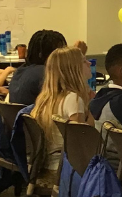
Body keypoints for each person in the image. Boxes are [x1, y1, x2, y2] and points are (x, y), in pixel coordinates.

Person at [31, 46, 95, 175]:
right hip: (66, 169)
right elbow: (81, 142)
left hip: (49, 163)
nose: (89, 63)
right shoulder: (73, 99)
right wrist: (92, 108)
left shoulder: (46, 97)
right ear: (73, 69)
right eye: (84, 61)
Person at [8, 30, 88, 105]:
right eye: (61, 52)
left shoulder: (21, 70)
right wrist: (76, 57)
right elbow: (75, 93)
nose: (64, 54)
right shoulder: (44, 74)